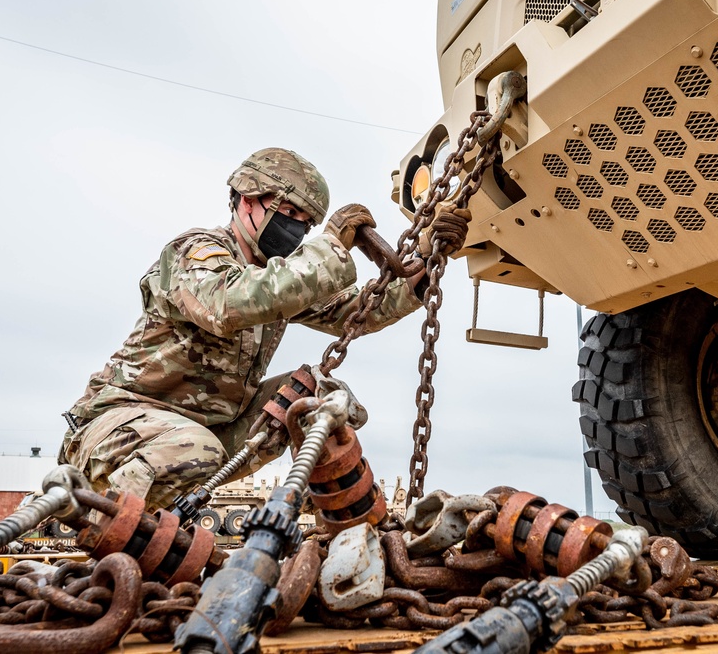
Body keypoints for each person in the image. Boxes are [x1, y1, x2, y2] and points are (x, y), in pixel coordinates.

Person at [58, 147, 466, 511]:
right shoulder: (196, 252)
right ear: (246, 201)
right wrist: (331, 248)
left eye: (306, 224)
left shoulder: (278, 278)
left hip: (212, 435)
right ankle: (103, 519)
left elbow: (355, 312)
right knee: (194, 447)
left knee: (320, 396)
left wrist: (425, 263)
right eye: (288, 214)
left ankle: (341, 514)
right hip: (119, 430)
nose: (296, 229)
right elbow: (227, 304)